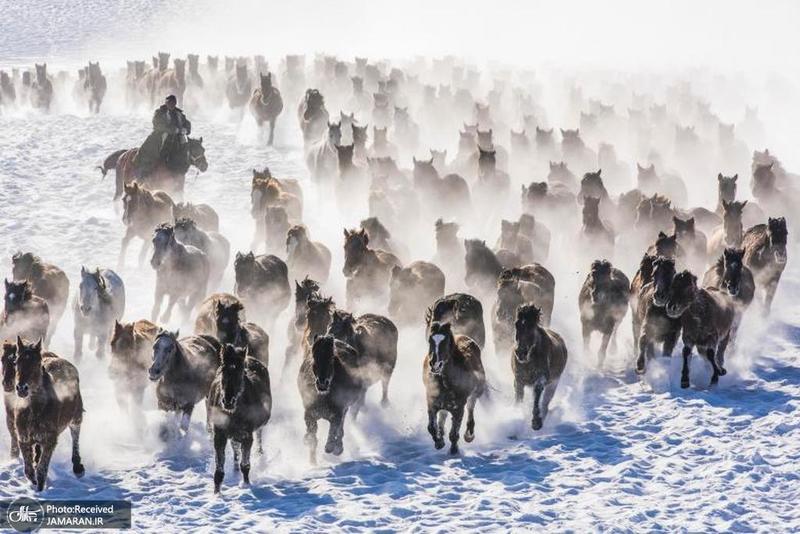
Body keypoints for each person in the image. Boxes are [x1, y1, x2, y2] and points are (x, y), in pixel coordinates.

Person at [133, 95, 192, 178]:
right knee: (149, 150)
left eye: (173, 103)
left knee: (187, 148)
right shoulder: (160, 112)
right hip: (161, 136)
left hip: (176, 138)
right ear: (166, 103)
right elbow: (157, 124)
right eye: (169, 103)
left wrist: (185, 129)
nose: (171, 105)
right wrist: (170, 130)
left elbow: (187, 123)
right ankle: (142, 171)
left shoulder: (179, 114)